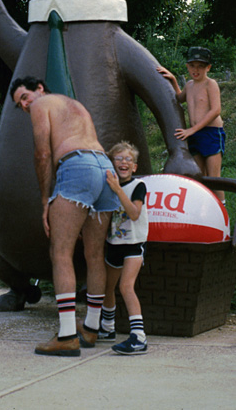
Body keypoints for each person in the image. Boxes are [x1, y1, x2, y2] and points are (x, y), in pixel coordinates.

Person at [10, 76, 120, 357]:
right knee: (95, 254)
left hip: (77, 166)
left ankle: (67, 334)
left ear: (39, 88)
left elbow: (43, 154)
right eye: (19, 104)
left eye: (24, 97)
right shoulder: (75, 105)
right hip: (104, 166)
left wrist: (46, 199)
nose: (24, 105)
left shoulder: (42, 104)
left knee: (60, 252)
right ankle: (92, 329)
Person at [157, 46, 226, 203]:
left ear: (208, 67)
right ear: (187, 66)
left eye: (200, 66)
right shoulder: (189, 85)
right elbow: (180, 98)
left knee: (213, 177)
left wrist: (192, 129)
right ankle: (203, 210)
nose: (196, 70)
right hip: (195, 135)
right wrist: (173, 80)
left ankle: (223, 213)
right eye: (192, 66)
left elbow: (216, 110)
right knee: (198, 174)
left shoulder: (211, 84)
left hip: (212, 133)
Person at [100, 141, 148, 355]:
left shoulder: (137, 186)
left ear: (135, 167)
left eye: (128, 159)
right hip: (114, 244)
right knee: (106, 288)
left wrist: (117, 189)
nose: (123, 162)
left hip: (133, 245)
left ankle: (139, 337)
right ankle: (107, 328)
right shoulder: (109, 187)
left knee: (126, 287)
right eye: (118, 158)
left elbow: (134, 213)